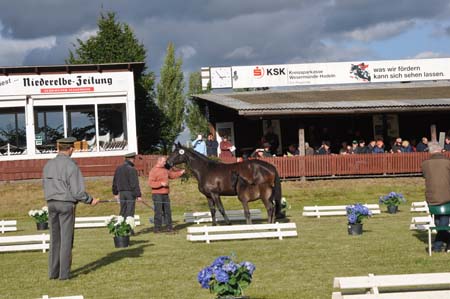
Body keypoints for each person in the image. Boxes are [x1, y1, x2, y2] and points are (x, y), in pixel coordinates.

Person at [42, 137, 99, 280]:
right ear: (71, 149)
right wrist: (90, 200)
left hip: (51, 202)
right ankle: (64, 274)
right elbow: (77, 192)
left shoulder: (48, 165)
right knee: (66, 239)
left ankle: (53, 273)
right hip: (66, 203)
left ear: (58, 148)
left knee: (55, 239)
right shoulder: (71, 166)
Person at [421, 142, 450, 252]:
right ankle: (438, 245)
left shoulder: (425, 164)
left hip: (431, 197)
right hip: (447, 196)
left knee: (439, 222)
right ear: (441, 150)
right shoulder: (447, 162)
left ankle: (438, 245)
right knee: (442, 223)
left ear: (430, 151)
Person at [148, 156, 185, 233]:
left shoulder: (165, 170)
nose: (165, 163)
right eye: (164, 161)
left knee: (168, 212)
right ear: (159, 161)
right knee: (158, 212)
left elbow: (172, 175)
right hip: (157, 194)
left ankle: (169, 228)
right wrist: (160, 183)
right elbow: (151, 183)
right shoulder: (153, 171)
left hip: (165, 194)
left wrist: (180, 173)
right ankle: (157, 228)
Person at [112, 152, 142, 220]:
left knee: (123, 211)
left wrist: (115, 193)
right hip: (130, 193)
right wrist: (138, 195)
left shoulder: (118, 168)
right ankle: (129, 229)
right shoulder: (132, 169)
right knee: (130, 212)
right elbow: (134, 184)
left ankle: (122, 228)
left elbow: (115, 181)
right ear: (132, 159)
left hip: (121, 193)